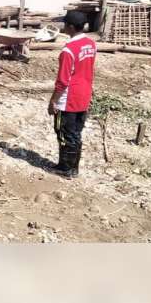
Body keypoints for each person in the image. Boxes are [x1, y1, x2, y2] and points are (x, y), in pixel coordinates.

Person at [47, 11, 97, 178]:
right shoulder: (91, 44)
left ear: (69, 26)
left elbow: (62, 80)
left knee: (63, 132)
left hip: (68, 99)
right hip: (84, 96)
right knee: (75, 132)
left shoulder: (68, 51)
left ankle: (65, 168)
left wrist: (53, 101)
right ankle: (73, 167)